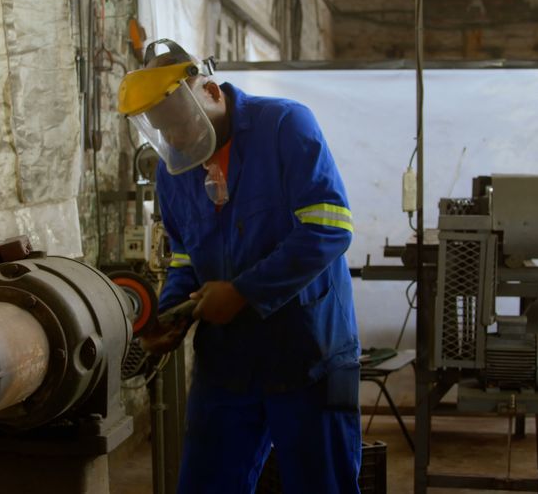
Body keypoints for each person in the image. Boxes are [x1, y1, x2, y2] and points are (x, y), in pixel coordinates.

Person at [117, 39, 362, 494]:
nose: (174, 139)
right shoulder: (174, 169)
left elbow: (330, 226)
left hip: (308, 351)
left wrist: (244, 291)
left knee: (320, 485)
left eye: (178, 124)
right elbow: (187, 256)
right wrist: (171, 314)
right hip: (227, 362)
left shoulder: (285, 125)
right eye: (162, 130)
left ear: (208, 92)